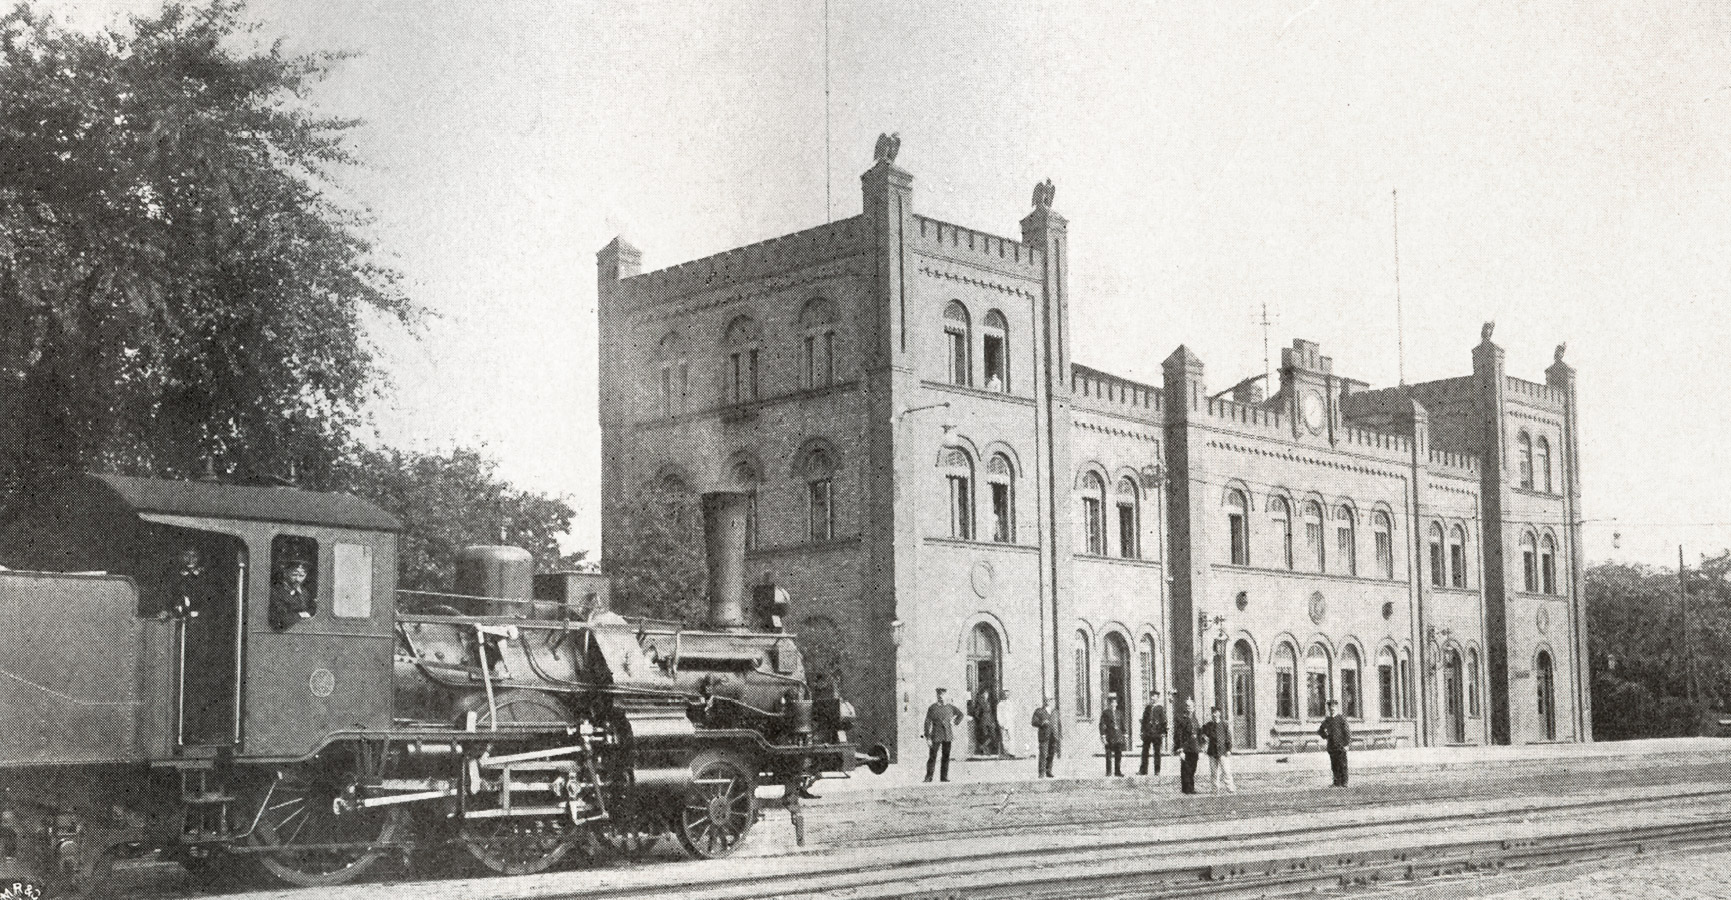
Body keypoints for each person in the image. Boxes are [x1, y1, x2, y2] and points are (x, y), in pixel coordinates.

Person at [922, 688, 964, 782]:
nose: (941, 697)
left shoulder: (950, 707)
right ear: (937, 696)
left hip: (947, 735)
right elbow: (927, 722)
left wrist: (955, 722)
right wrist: (928, 737)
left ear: (946, 696)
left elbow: (961, 715)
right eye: (939, 695)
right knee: (932, 756)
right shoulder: (932, 708)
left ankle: (944, 777)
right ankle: (929, 777)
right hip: (936, 735)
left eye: (943, 695)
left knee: (946, 756)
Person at [268, 558, 317, 631]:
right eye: (294, 574)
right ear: (285, 573)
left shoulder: (304, 592)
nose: (298, 579)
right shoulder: (276, 591)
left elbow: (312, 609)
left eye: (302, 575)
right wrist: (301, 615)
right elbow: (279, 618)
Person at [1199, 706, 1236, 793]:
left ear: (1219, 713)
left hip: (1223, 751)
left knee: (1226, 771)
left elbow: (1228, 738)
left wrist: (1229, 750)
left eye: (1216, 712)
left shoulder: (1224, 724)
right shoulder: (1208, 725)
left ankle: (1230, 789)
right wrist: (1204, 737)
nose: (1214, 714)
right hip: (1212, 752)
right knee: (1214, 773)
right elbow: (1201, 733)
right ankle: (1215, 790)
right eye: (1213, 713)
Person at [1319, 699, 1352, 787]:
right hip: (1331, 746)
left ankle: (1344, 782)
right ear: (1328, 709)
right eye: (1330, 708)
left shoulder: (1341, 719)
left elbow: (1347, 732)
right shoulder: (1327, 720)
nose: (1331, 709)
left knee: (1343, 764)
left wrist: (1347, 744)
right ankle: (1336, 782)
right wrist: (1325, 736)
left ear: (1337, 708)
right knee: (1334, 765)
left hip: (1341, 746)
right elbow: (1320, 731)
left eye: (1333, 708)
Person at [1172, 697, 1201, 794]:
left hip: (1194, 747)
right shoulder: (1181, 719)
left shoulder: (1195, 719)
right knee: (1186, 768)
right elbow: (1178, 735)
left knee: (1193, 768)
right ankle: (1186, 789)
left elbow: (1198, 732)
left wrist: (1200, 746)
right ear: (1185, 708)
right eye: (1187, 706)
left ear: (1194, 708)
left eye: (1191, 706)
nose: (1189, 708)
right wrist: (1180, 749)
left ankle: (1191, 788)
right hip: (1185, 748)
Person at [1138, 691, 1168, 776]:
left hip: (1157, 733)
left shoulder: (1160, 708)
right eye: (1151, 696)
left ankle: (1157, 770)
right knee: (1145, 751)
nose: (1152, 698)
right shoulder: (1147, 708)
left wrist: (1163, 732)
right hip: (1147, 733)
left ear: (1157, 697)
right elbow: (1144, 721)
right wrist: (1142, 731)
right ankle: (1143, 770)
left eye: (1154, 696)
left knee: (1157, 752)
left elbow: (1164, 721)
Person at [1032, 696, 1060, 777]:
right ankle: (1041, 773)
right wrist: (1041, 723)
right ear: (1044, 701)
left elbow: (1058, 724)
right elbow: (1033, 722)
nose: (1048, 701)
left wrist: (1059, 734)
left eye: (1051, 700)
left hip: (1054, 736)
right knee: (1043, 754)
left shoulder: (1055, 712)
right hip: (1044, 735)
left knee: (1051, 754)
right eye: (1047, 700)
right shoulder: (1039, 711)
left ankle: (1048, 771)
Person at [1098, 693, 1126, 776]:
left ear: (1116, 704)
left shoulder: (1119, 713)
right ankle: (1109, 772)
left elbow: (1122, 724)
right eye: (1112, 703)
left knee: (1118, 754)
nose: (1113, 704)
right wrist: (1103, 735)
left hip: (1118, 736)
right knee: (1109, 754)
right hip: (1110, 735)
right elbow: (1102, 724)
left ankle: (1118, 771)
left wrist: (1125, 733)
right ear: (1109, 704)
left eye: (1115, 702)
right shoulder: (1106, 713)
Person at [996, 689, 1017, 758]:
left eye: (1008, 694)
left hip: (1010, 723)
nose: (1006, 696)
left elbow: (1015, 712)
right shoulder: (1000, 704)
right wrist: (1001, 723)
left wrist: (1012, 719)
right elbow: (998, 714)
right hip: (1003, 723)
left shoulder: (1011, 703)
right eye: (1005, 694)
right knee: (1004, 738)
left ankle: (1012, 753)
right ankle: (1006, 752)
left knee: (1012, 738)